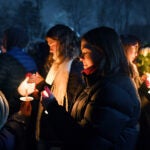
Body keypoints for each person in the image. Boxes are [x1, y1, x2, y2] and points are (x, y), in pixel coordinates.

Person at [37, 26, 141, 150]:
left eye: (85, 52)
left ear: (102, 51)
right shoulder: (96, 83)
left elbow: (87, 141)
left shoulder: (112, 90)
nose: (80, 58)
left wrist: (52, 107)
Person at [0, 26, 38, 115]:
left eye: (5, 38)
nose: (2, 41)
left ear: (11, 40)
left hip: (7, 106)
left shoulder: (5, 59)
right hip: (26, 105)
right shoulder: (30, 60)